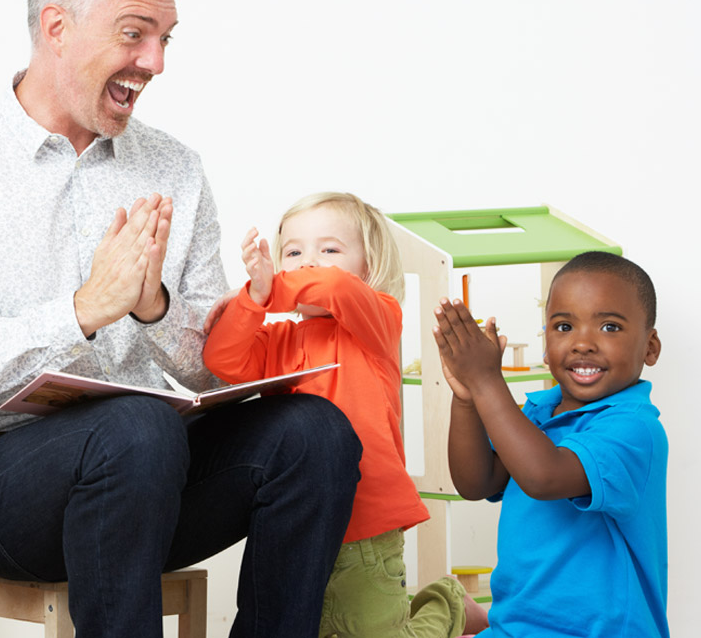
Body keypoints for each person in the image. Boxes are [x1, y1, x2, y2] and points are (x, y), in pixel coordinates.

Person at [0, 0, 362, 637]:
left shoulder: (175, 168)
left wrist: (154, 309)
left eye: (167, 38)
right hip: (4, 491)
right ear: (57, 28)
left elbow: (212, 362)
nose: (157, 62)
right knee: (134, 429)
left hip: (159, 473)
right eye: (136, 34)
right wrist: (80, 312)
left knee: (316, 433)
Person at [203, 192, 488, 638]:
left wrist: (273, 288)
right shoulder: (280, 341)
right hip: (298, 528)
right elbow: (222, 359)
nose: (307, 263)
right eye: (293, 252)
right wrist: (251, 302)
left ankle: (448, 605)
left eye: (329, 250)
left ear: (368, 268)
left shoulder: (378, 320)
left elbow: (336, 289)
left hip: (366, 532)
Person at [433, 251, 668, 637]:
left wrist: (488, 382)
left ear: (650, 347)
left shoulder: (634, 428)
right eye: (563, 327)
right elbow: (476, 483)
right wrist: (467, 397)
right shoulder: (537, 413)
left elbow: (544, 476)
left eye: (609, 327)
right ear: (546, 344)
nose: (582, 344)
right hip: (514, 628)